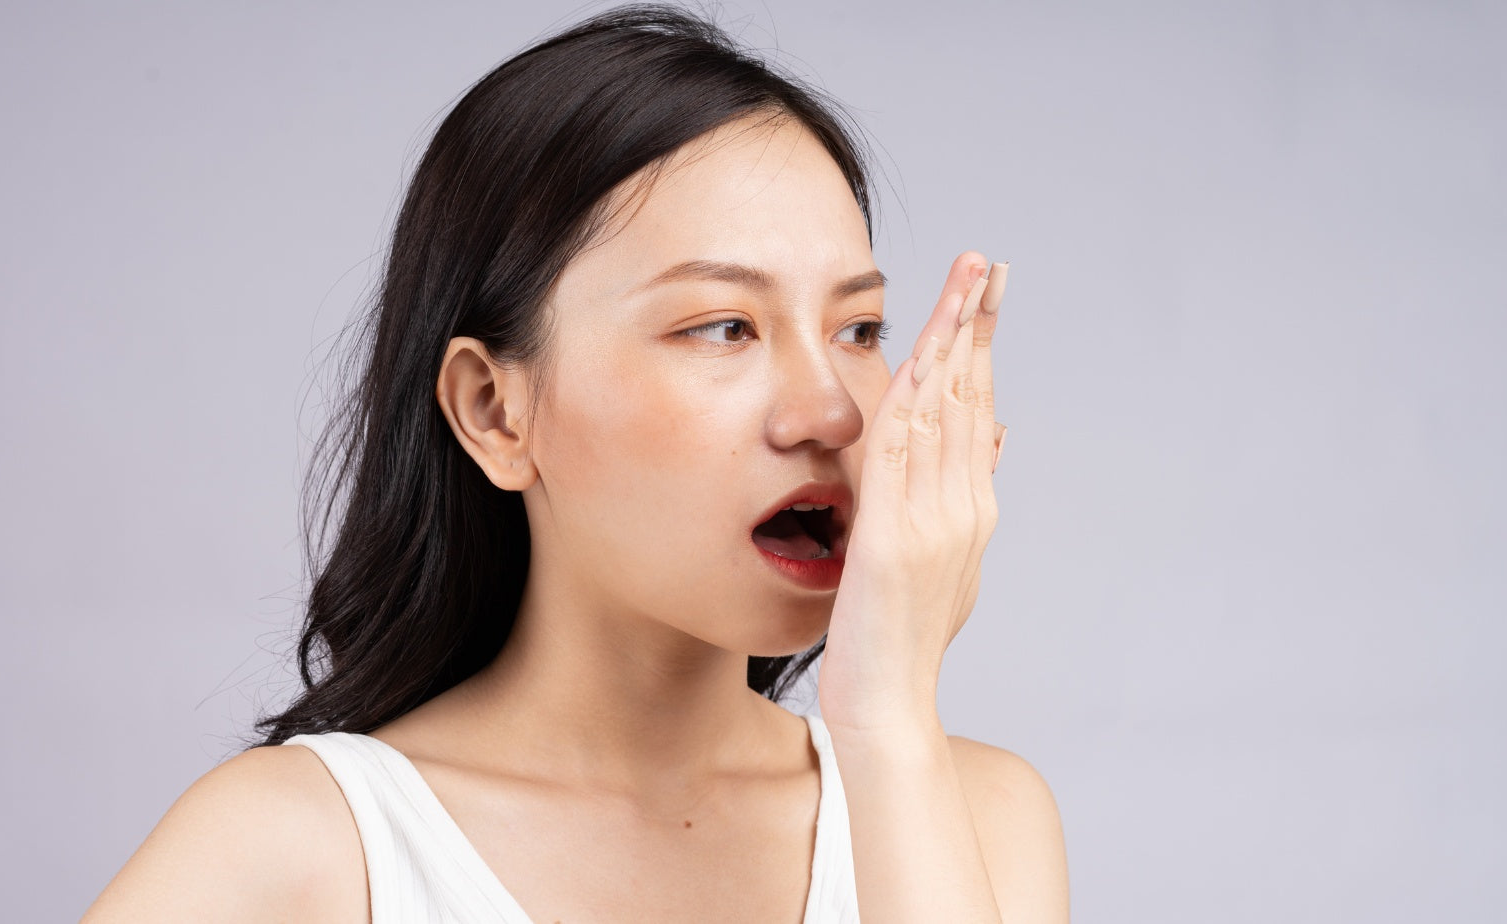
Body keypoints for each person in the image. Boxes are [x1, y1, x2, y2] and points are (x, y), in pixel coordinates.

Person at [84, 4, 1068, 921]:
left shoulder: (975, 814)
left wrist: (891, 724)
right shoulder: (293, 848)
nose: (829, 413)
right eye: (724, 326)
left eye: (858, 327)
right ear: (494, 410)